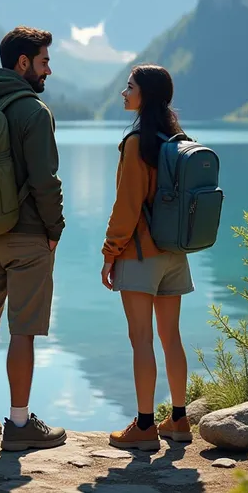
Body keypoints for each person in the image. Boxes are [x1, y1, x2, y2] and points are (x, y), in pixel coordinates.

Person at [0, 26, 67, 452]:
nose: (48, 69)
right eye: (43, 61)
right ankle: (20, 424)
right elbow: (45, 181)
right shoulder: (33, 111)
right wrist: (54, 231)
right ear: (23, 63)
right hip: (26, 238)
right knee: (21, 331)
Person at [101, 64, 194, 451]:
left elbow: (127, 207)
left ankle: (143, 427)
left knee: (141, 340)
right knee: (170, 337)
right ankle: (178, 419)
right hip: (175, 253)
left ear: (146, 95)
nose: (124, 93)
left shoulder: (138, 143)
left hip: (141, 255)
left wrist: (110, 253)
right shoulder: (176, 138)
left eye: (130, 87)